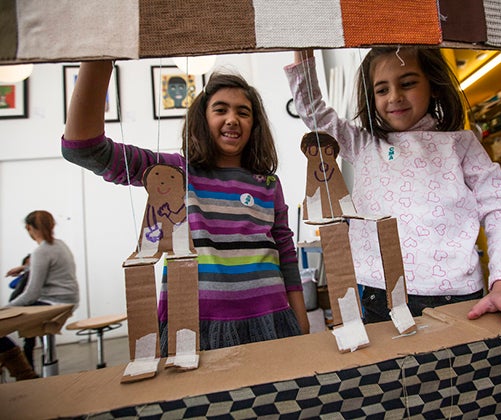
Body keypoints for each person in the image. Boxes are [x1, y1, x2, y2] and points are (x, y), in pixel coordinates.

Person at [285, 48, 501, 354]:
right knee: (393, 374)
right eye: (381, 90)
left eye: (408, 83)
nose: (394, 97)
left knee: (457, 371)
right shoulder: (363, 144)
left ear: (433, 85)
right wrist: (303, 54)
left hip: (455, 294)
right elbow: (314, 112)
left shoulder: (461, 143)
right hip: (377, 292)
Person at [61, 61, 309, 356]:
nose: (232, 119)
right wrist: (100, 59)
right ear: (202, 120)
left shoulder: (268, 183)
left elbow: (285, 249)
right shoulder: (174, 173)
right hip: (193, 325)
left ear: (255, 126)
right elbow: (84, 149)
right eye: (220, 110)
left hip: (272, 319)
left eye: (243, 112)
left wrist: (300, 316)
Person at [2, 210, 79, 375]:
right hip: (69, 300)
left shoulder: (40, 252)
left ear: (29, 228)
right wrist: (25, 268)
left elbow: (31, 295)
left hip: (53, 304)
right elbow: (51, 264)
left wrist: (5, 309)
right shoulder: (60, 244)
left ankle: (25, 374)